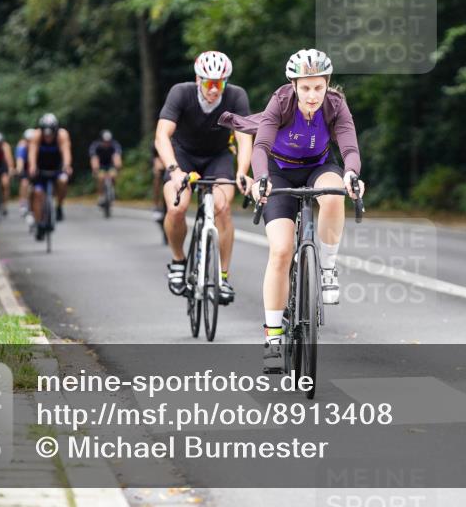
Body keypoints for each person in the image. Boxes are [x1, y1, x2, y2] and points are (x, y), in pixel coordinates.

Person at [219, 48, 364, 373]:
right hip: (279, 171)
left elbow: (349, 146)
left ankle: (327, 268)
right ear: (294, 86)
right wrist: (261, 178)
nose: (312, 95)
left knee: (335, 194)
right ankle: (273, 336)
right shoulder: (281, 102)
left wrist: (352, 174)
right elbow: (261, 146)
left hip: (319, 167)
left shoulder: (335, 105)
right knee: (282, 250)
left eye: (318, 87)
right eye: (306, 88)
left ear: (327, 84)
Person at [154, 51, 253, 305]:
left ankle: (223, 277)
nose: (214, 89)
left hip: (218, 157)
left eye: (220, 83)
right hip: (183, 156)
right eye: (209, 83)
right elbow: (162, 135)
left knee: (222, 208)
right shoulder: (180, 93)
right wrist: (174, 170)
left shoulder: (236, 96)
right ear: (198, 79)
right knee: (176, 208)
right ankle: (178, 261)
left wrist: (242, 171)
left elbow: (244, 138)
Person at [28, 113, 73, 240]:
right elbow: (32, 152)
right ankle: (39, 223)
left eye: (51, 133)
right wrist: (32, 166)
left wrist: (67, 165)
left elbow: (66, 152)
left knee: (63, 181)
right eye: (46, 133)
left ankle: (59, 206)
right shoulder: (36, 135)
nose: (48, 136)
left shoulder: (62, 135)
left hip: (56, 167)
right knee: (37, 193)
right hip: (40, 168)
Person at [89, 130, 123, 207]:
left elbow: (117, 157)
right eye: (105, 141)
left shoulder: (115, 145)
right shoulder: (95, 146)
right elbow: (94, 158)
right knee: (100, 177)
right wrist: (95, 169)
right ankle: (101, 196)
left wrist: (118, 167)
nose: (107, 143)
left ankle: (112, 189)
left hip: (110, 165)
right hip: (100, 165)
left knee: (113, 175)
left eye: (108, 141)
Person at [15, 129, 35, 216]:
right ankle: (23, 203)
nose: (29, 143)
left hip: (35, 167)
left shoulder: (37, 146)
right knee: (24, 183)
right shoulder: (21, 147)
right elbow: (20, 161)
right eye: (28, 141)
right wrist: (19, 169)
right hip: (26, 167)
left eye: (32, 141)